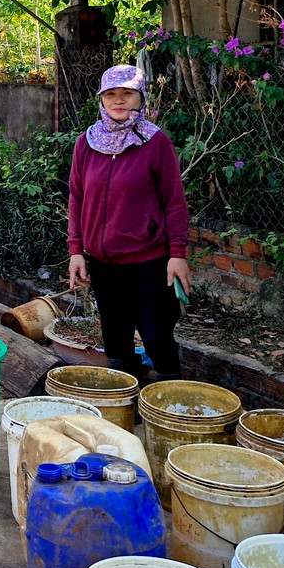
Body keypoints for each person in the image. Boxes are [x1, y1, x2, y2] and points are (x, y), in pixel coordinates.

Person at [67, 64, 191, 380]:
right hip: (102, 264)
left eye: (127, 93)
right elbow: (77, 198)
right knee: (116, 344)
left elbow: (174, 202)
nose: (118, 100)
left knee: (157, 338)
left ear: (140, 97)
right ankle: (126, 407)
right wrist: (76, 250)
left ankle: (171, 407)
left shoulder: (155, 142)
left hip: (148, 263)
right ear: (101, 98)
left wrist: (177, 255)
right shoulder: (87, 142)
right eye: (111, 94)